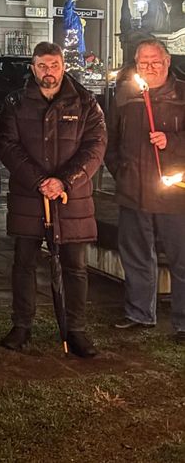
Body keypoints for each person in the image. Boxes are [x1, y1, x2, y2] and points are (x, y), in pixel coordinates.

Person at [0, 41, 106, 357]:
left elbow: (95, 147)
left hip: (73, 198)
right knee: (24, 263)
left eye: (54, 65)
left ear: (63, 66)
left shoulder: (85, 103)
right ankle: (22, 325)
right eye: (42, 66)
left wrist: (64, 181)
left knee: (75, 267)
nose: (49, 72)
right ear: (32, 68)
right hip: (31, 197)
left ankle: (77, 329)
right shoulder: (16, 102)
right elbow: (6, 144)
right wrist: (39, 180)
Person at [105, 38, 185, 339]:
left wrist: (172, 142)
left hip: (175, 192)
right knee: (136, 256)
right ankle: (140, 312)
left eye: (154, 61)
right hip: (133, 192)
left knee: (182, 259)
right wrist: (120, 171)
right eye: (142, 63)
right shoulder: (126, 95)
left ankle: (183, 320)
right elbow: (110, 139)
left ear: (166, 61)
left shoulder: (182, 93)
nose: (149, 67)